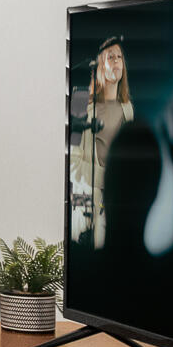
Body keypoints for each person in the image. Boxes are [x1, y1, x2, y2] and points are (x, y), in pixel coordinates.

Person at [70, 38, 134, 247]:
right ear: (98, 64)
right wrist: (107, 179)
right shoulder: (80, 102)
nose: (116, 61)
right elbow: (72, 164)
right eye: (110, 56)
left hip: (116, 207)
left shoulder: (127, 109)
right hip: (86, 206)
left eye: (119, 57)